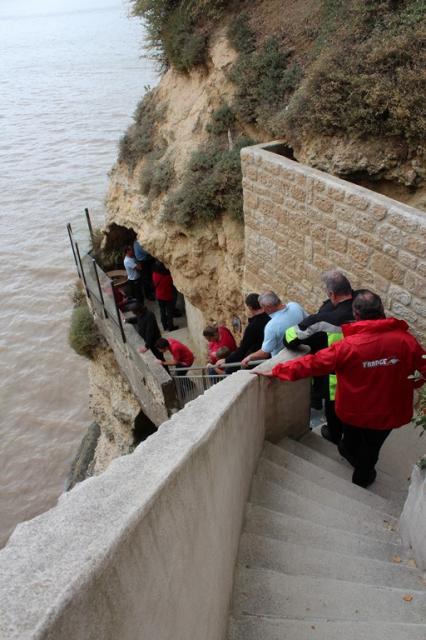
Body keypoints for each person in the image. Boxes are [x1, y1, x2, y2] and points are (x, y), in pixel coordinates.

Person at [253, 291, 426, 488]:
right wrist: (410, 385)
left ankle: (356, 463)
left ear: (356, 315)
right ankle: (362, 476)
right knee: (372, 447)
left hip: (355, 411)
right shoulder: (406, 341)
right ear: (382, 311)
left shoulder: (347, 347)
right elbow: (423, 369)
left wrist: (277, 370)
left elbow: (313, 364)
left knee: (349, 443)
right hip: (390, 411)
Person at [284, 271, 356, 444]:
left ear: (332, 294)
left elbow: (289, 338)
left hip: (335, 374)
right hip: (361, 366)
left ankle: (334, 434)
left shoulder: (325, 319)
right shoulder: (366, 303)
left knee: (333, 407)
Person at [241, 291, 306, 367]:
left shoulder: (271, 326)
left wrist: (249, 357)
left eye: (263, 307)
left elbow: (265, 353)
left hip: (284, 362)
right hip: (304, 350)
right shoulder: (295, 306)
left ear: (269, 307)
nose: (263, 310)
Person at [216, 293, 270, 372]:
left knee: (229, 370)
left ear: (250, 307)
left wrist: (226, 360)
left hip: (259, 359)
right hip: (271, 354)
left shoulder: (253, 327)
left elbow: (243, 349)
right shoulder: (271, 315)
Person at [152, 261, 177, 332]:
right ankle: (171, 326)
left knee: (162, 311)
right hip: (168, 296)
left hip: (159, 296)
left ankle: (164, 326)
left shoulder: (154, 274)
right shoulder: (168, 277)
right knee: (169, 312)